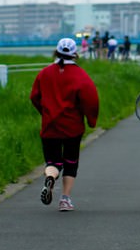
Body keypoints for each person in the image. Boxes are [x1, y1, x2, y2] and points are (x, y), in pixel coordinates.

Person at [30, 37, 100, 211]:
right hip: (72, 127)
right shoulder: (80, 75)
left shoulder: (44, 73)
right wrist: (91, 120)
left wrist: (45, 112)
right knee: (70, 162)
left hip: (50, 127)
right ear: (75, 53)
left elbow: (34, 97)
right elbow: (91, 100)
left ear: (56, 51)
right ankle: (65, 199)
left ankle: (50, 178)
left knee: (53, 162)